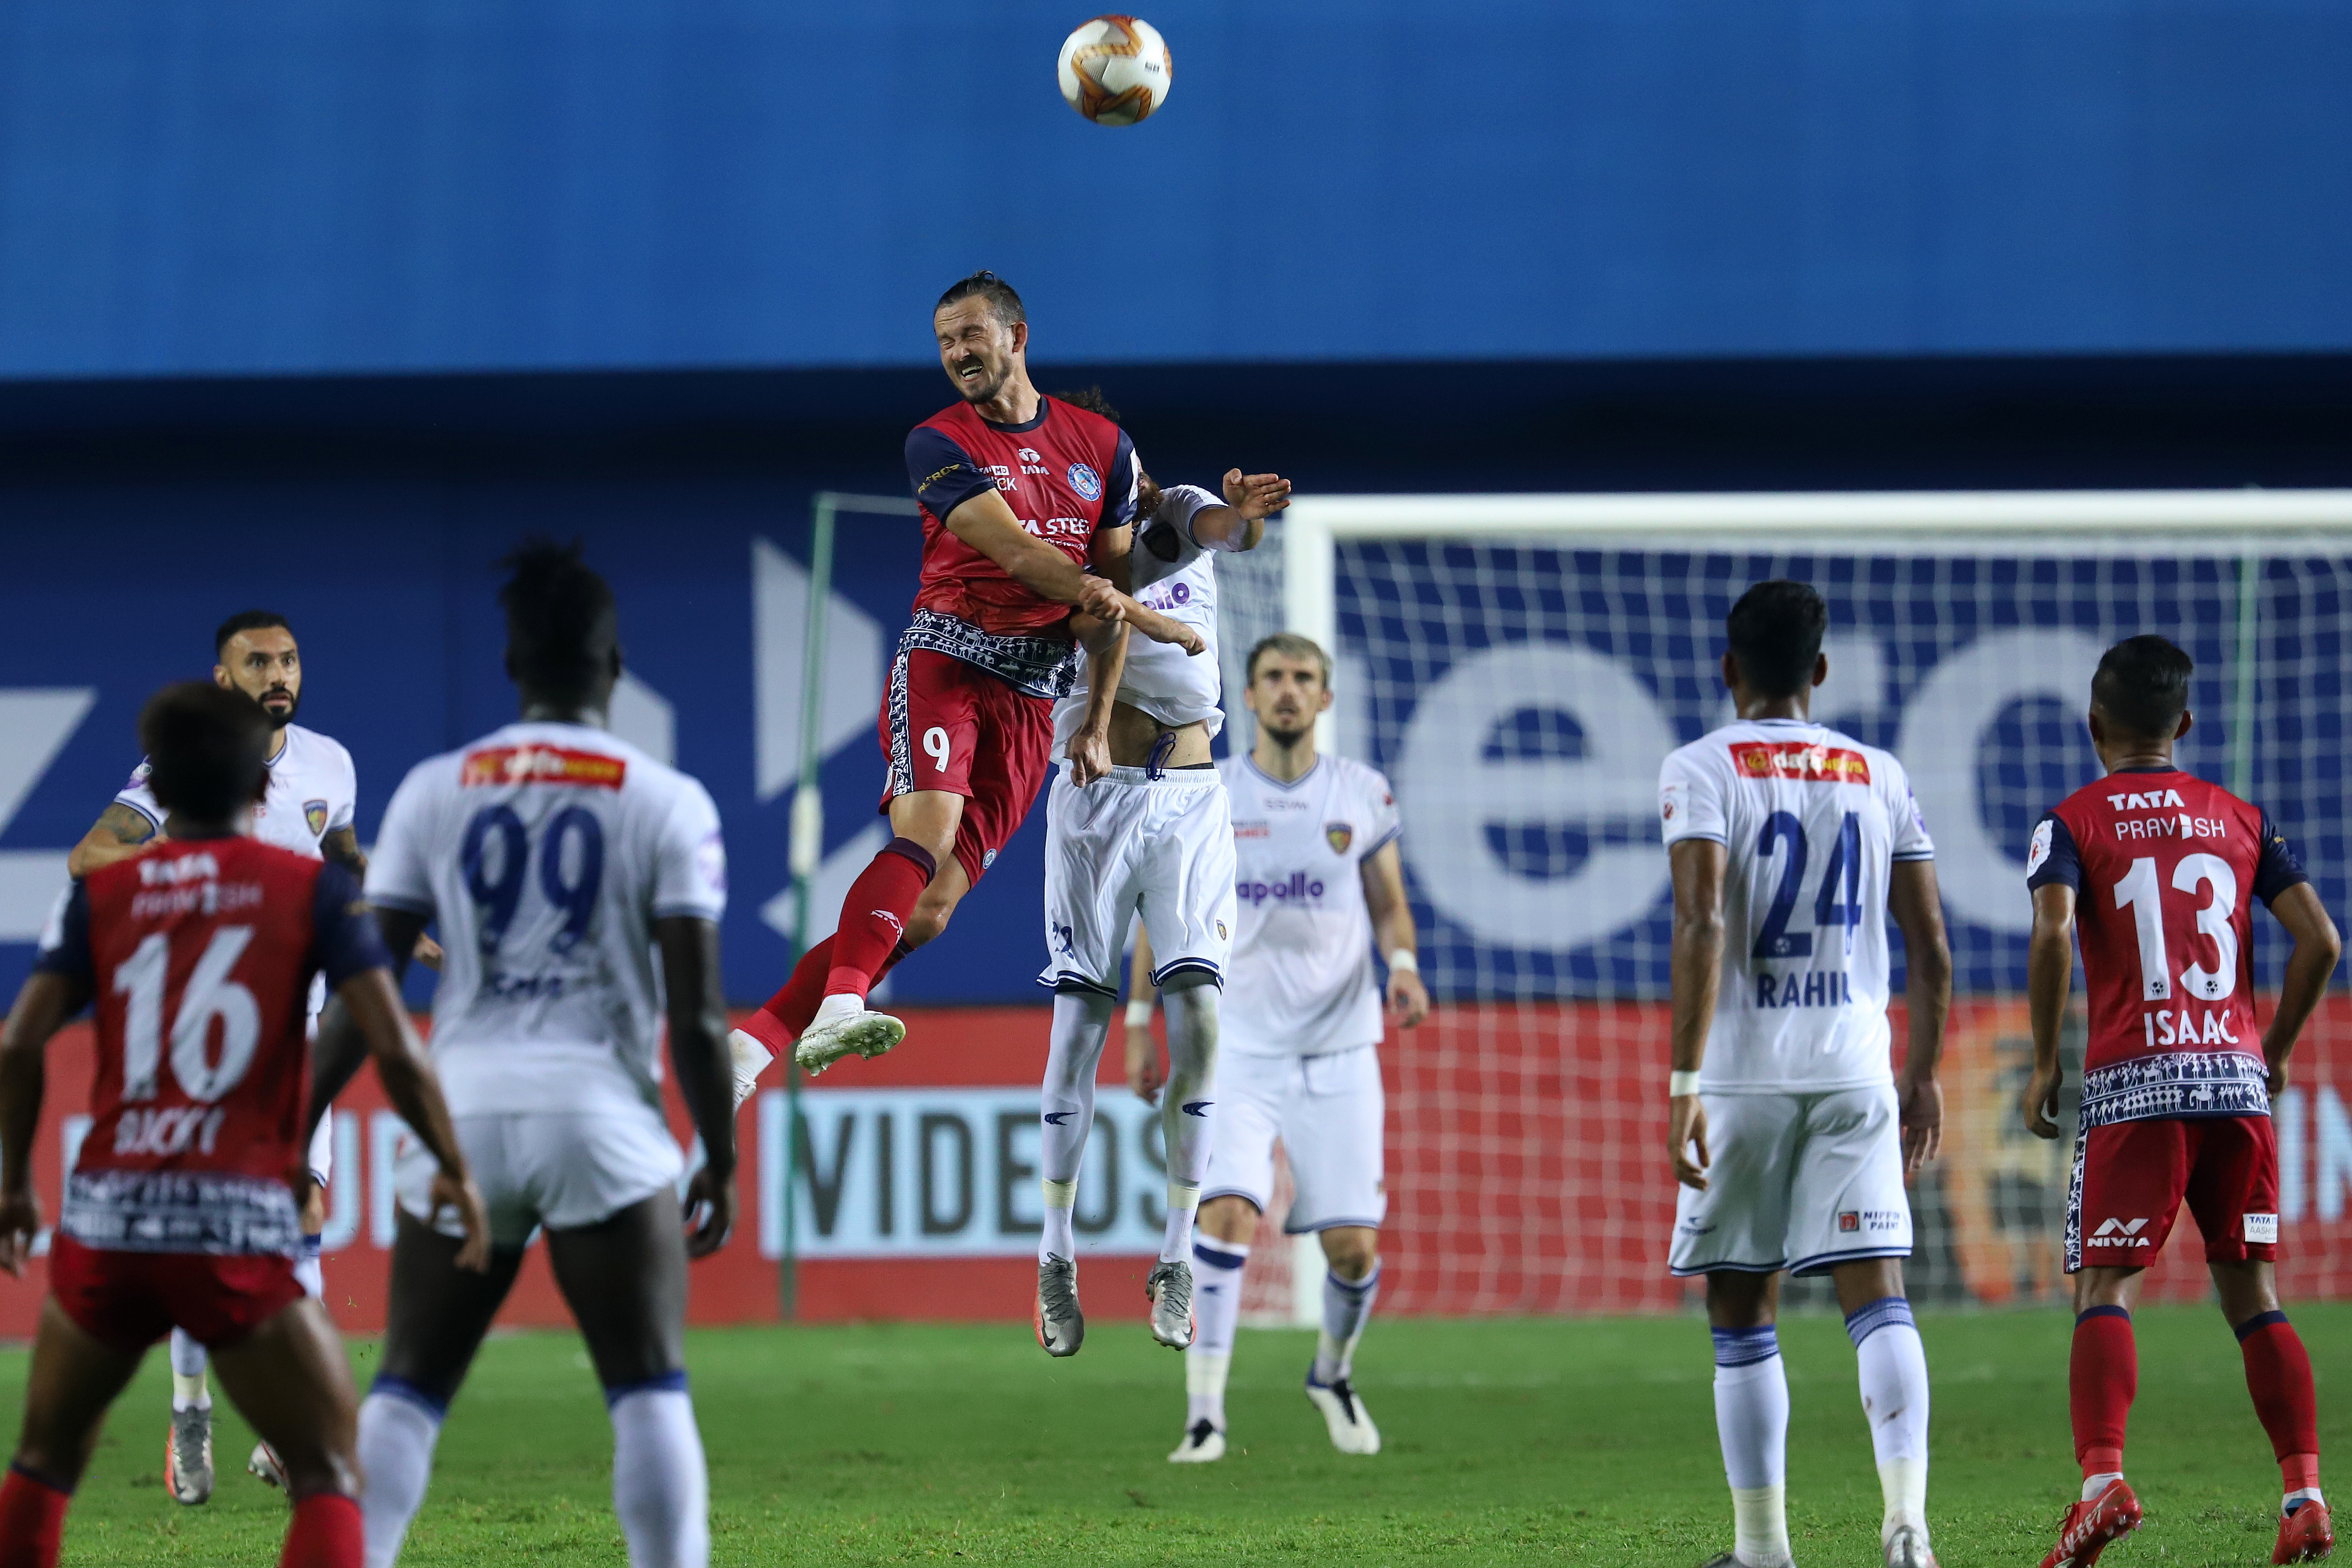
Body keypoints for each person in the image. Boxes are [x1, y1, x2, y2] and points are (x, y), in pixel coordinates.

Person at [0, 682, 487, 1568]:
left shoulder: (96, 900)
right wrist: (451, 1163)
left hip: (110, 1217)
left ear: (159, 789)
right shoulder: (308, 891)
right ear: (263, 793)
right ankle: (210, 1425)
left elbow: (18, 1043)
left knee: (41, 1463)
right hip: (233, 1217)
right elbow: (392, 1044)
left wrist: (11, 1188)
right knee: (329, 1468)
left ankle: (183, 1425)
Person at [339, 541, 736, 1568]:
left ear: (512, 668)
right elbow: (696, 1016)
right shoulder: (667, 799)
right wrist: (720, 1159)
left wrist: (284, 1128)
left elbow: (366, 987)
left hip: (458, 1117)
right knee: (647, 1383)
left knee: (409, 1386)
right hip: (600, 1118)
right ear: (614, 667)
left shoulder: (434, 791)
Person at [725, 272, 1205, 1092]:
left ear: (1017, 337)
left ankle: (755, 1042)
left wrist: (1091, 723)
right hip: (948, 658)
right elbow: (1019, 554)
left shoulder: (1102, 448)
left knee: (933, 908)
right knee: (926, 834)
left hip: (1031, 694)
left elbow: (1106, 602)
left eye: (971, 336)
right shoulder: (937, 441)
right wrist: (1144, 614)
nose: (956, 354)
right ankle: (842, 1004)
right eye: (945, 342)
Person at [66, 609, 438, 1505]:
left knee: (300, 1205)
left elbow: (341, 859)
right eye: (258, 662)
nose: (280, 673)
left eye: (290, 659)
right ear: (223, 679)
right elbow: (94, 851)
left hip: (300, 1022)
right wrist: (191, 871)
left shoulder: (330, 762)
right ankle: (192, 1409)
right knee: (211, 1234)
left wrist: (399, 918)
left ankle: (280, 1427)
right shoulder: (180, 776)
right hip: (208, 1037)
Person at [2021, 634, 2341, 1568]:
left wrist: (2046, 1061)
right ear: (2185, 725)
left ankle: (2101, 1484)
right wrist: (2272, 1050)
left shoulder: (2070, 821)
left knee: (2104, 1285)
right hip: (2234, 1082)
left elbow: (2050, 936)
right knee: (2254, 1293)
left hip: (2136, 1083)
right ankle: (2305, 1495)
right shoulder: (2241, 819)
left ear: (2095, 726)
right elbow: (2319, 941)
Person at [1657, 581, 1951, 1568]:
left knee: (1741, 1303)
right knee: (1879, 1294)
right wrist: (1921, 1074)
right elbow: (1934, 948)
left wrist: (1683, 1084)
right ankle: (1907, 1523)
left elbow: (1700, 921)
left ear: (1729, 669)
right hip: (1855, 1068)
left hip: (1743, 1076)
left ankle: (1764, 1550)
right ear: (1819, 671)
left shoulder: (1700, 769)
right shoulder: (1880, 773)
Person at [1027, 385, 1291, 1357]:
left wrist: (1244, 519)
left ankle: (1174, 1255)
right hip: (1092, 803)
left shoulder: (1169, 503)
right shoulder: (1046, 553)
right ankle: (1056, 1255)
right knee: (1076, 1032)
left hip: (1189, 798)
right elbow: (1098, 615)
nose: (1113, 479)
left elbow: (1217, 529)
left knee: (1204, 1019)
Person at [1140, 632, 1428, 1462]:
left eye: (1304, 678)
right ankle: (1203, 1416)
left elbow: (1389, 905)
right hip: (1235, 1049)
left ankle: (1331, 1372)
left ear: (1325, 698)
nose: (1288, 691)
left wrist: (1401, 965)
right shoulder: (1212, 792)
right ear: (1251, 693)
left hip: (1340, 1048)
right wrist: (1134, 1023)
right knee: (1225, 1216)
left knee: (1353, 1249)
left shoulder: (1360, 794)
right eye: (1273, 677)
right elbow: (1157, 910)